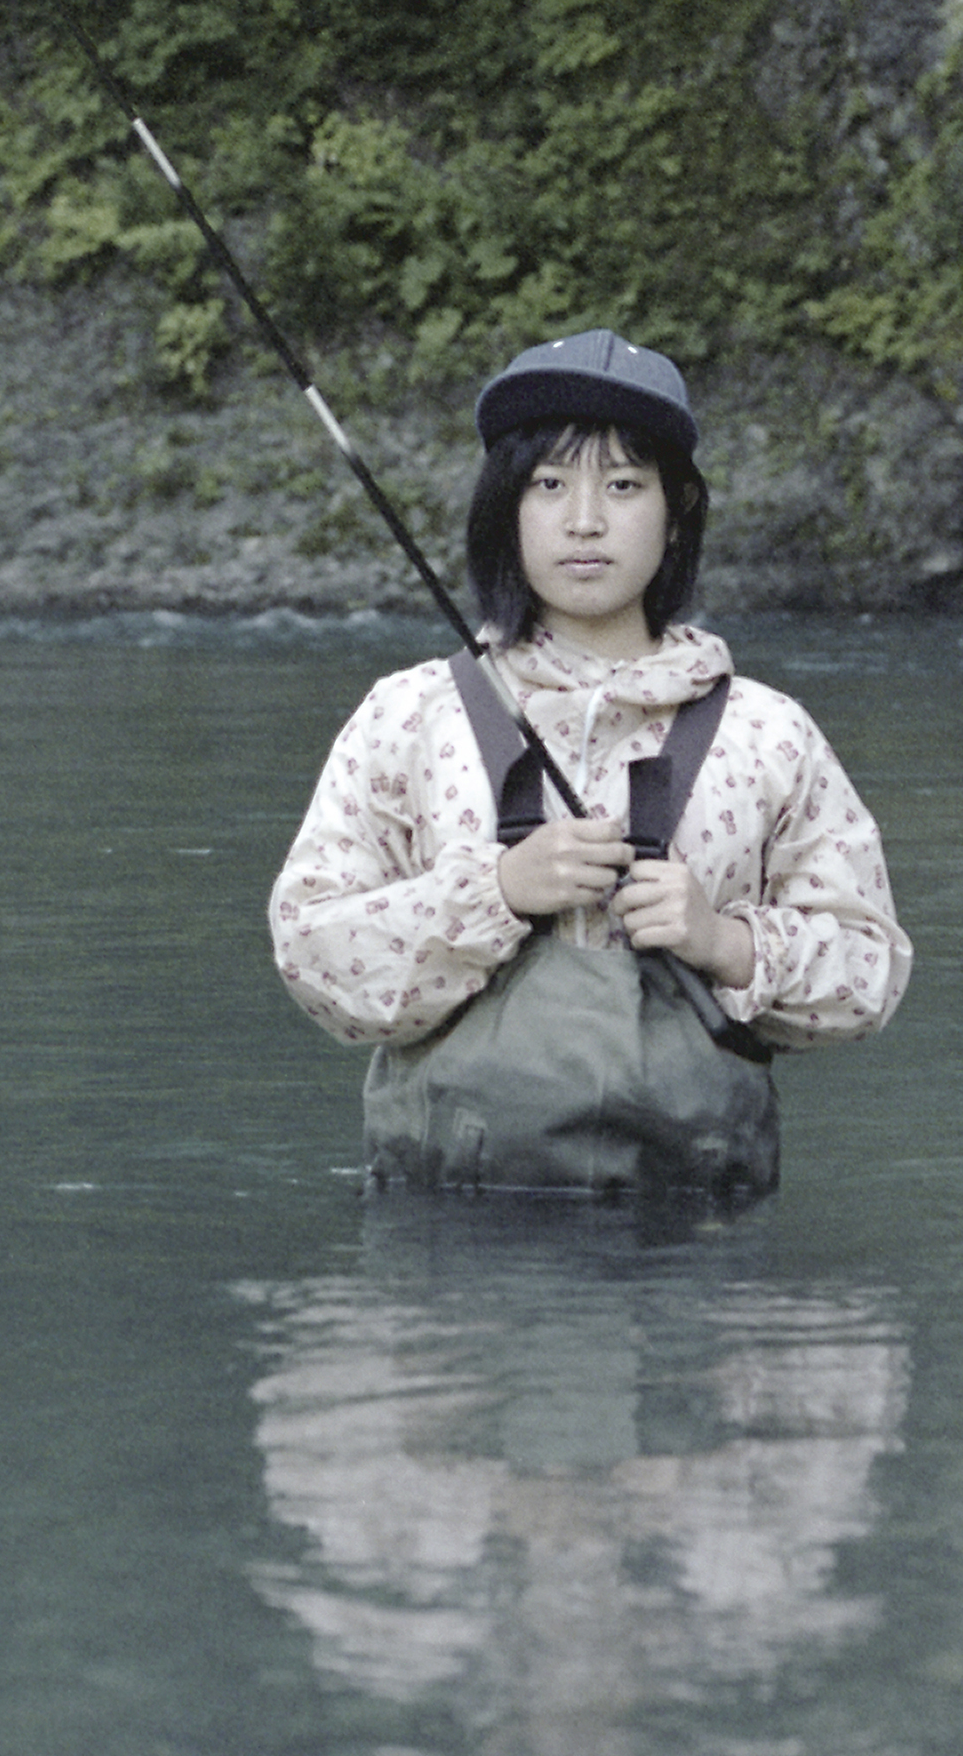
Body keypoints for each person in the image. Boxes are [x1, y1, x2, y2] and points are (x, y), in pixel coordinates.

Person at [269, 329, 909, 1190]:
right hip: (447, 1243)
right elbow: (313, 952)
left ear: (676, 510)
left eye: (622, 485)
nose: (584, 520)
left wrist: (723, 941)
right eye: (549, 484)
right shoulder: (407, 716)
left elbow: (868, 974)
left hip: (691, 1243)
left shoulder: (770, 735)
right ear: (508, 507)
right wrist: (493, 894)